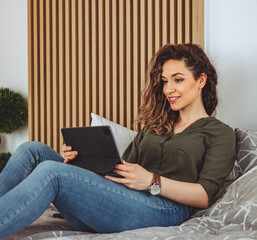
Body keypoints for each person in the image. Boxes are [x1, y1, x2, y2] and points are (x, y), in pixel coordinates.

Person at [0, 43, 236, 237]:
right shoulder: (156, 125)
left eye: (178, 79)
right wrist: (78, 166)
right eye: (165, 81)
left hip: (164, 209)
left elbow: (205, 195)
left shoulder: (219, 133)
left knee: (51, 173)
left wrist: (153, 181)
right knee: (33, 150)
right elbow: (119, 172)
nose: (168, 89)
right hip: (120, 202)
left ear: (201, 80)